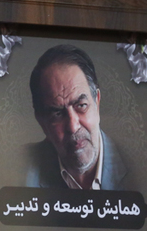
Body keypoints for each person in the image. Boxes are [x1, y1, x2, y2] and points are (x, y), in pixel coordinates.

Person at [24, 45, 132, 190]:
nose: (73, 126)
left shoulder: (137, 165)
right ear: (41, 121)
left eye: (81, 105)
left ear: (97, 102)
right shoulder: (19, 170)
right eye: (57, 113)